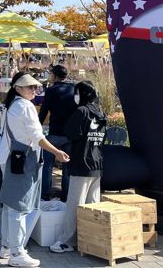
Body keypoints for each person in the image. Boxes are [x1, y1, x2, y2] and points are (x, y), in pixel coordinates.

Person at [0, 72, 70, 267]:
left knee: (9, 206)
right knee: (18, 208)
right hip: (20, 161)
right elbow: (37, 137)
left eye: (35, 87)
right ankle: (17, 252)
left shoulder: (13, 104)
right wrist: (57, 152)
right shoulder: (25, 106)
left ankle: (7, 247)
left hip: (10, 159)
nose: (34, 90)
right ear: (18, 88)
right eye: (30, 87)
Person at [49, 80, 108, 253]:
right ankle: (91, 240)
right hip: (96, 163)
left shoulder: (81, 112)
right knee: (93, 205)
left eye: (77, 92)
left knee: (75, 204)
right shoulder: (100, 112)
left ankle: (66, 241)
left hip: (81, 162)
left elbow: (71, 133)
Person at [38, 64, 77, 201]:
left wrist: (38, 126)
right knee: (67, 166)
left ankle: (45, 194)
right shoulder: (74, 89)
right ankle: (66, 195)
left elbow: (44, 111)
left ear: (54, 76)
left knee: (48, 165)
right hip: (70, 134)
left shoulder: (51, 90)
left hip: (54, 132)